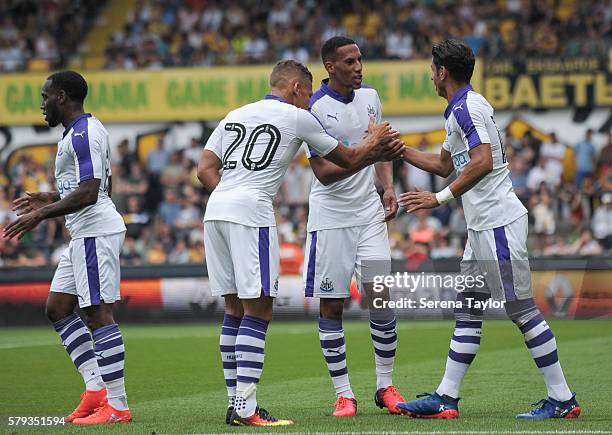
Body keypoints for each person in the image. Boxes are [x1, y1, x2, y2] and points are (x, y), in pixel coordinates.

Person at [197, 59, 403, 427]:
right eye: (307, 93)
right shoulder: (298, 117)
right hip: (250, 213)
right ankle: (247, 408)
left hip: (216, 211)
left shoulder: (235, 114)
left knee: (233, 309)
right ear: (296, 88)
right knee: (259, 310)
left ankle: (235, 402)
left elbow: (204, 168)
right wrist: (373, 141)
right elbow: (349, 158)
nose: (310, 101)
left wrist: (228, 194)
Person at [395, 39, 580, 419]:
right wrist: (397, 149)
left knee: (521, 310)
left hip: (498, 223)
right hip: (482, 228)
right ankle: (446, 397)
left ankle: (562, 398)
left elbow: (481, 161)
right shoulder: (458, 111)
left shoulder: (467, 108)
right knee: (468, 309)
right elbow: (445, 164)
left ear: (442, 72)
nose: (430, 73)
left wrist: (439, 199)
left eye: (432, 68)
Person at [2, 71, 131, 424]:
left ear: (61, 96)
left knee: (98, 313)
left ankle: (117, 407)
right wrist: (52, 197)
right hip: (84, 233)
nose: (41, 105)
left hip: (95, 232)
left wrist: (42, 214)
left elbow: (92, 192)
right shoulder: (77, 134)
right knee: (58, 308)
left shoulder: (84, 134)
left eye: (45, 97)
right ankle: (95, 389)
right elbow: (92, 186)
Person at [302, 36, 406, 418]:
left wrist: (389, 187)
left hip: (368, 214)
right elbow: (326, 173)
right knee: (333, 306)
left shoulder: (371, 97)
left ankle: (385, 385)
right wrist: (371, 151)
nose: (359, 67)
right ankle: (344, 394)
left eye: (360, 59)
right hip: (331, 219)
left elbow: (381, 149)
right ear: (331, 67)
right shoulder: (315, 108)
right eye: (350, 61)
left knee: (381, 298)